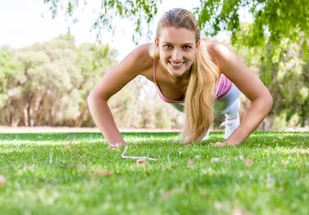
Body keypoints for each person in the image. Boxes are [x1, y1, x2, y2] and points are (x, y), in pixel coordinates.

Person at [88, 8, 273, 147]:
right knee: (194, 115)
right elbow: (97, 96)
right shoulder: (143, 58)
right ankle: (201, 123)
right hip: (182, 102)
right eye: (168, 46)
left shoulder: (217, 53)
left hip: (223, 95)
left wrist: (232, 142)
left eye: (186, 47)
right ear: (157, 44)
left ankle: (232, 117)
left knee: (227, 107)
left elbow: (263, 98)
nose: (176, 57)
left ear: (197, 45)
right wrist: (117, 144)